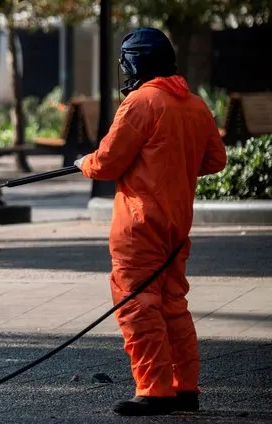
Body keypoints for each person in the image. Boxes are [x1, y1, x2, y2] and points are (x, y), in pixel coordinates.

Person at [74, 27, 227, 416]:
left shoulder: (141, 103)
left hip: (139, 226)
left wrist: (84, 163)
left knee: (138, 305)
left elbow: (107, 162)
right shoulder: (194, 105)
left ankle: (155, 391)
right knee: (173, 304)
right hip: (176, 227)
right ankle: (184, 388)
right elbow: (215, 160)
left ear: (133, 64)